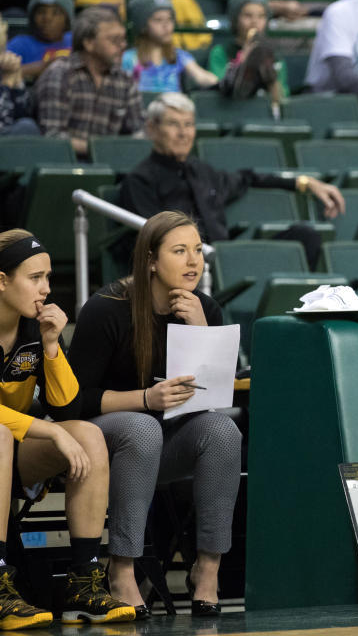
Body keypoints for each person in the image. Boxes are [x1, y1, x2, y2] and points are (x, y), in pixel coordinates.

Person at [68, 211, 242, 618]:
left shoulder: (205, 309)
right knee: (143, 427)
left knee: (223, 431)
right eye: (179, 251)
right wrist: (145, 398)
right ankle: (122, 569)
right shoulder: (107, 309)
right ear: (150, 260)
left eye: (197, 250)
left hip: (165, 443)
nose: (193, 262)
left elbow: (211, 400)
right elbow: (74, 401)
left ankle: (208, 568)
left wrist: (201, 331)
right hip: (102, 441)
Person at [0, 229, 136, 626]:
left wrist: (52, 346)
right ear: (2, 281)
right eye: (34, 278)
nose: (45, 289)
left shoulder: (33, 328)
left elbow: (67, 408)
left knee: (87, 433)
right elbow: (49, 426)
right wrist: (51, 432)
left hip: (12, 451)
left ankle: (84, 582)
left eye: (47, 277)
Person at [119, 92, 344, 270]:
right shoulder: (140, 180)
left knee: (306, 236)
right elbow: (152, 244)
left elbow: (249, 177)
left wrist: (307, 183)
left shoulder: (203, 171)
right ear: (152, 129)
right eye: (173, 124)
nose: (183, 133)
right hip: (190, 269)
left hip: (229, 260)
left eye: (189, 125)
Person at [35, 6, 143, 158]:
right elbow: (53, 137)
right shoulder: (60, 74)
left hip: (112, 164)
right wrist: (101, 149)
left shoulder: (125, 81)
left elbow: (137, 131)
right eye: (114, 40)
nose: (123, 45)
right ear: (88, 43)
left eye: (123, 39)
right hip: (65, 163)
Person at [122, 0, 218, 93]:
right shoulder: (128, 58)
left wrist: (222, 83)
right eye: (158, 20)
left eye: (169, 19)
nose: (166, 25)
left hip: (173, 105)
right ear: (143, 26)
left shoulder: (178, 56)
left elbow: (201, 76)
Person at [207, 0, 290, 99]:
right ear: (235, 19)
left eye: (261, 16)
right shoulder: (220, 51)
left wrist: (270, 76)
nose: (254, 21)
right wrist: (242, 62)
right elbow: (219, 87)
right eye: (247, 15)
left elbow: (282, 98)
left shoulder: (273, 55)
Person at [5, 0, 72, 82]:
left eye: (56, 13)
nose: (47, 19)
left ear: (67, 21)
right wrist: (43, 67)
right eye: (41, 12)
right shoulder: (20, 44)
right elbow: (4, 74)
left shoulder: (75, 40)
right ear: (32, 18)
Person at [0, 14, 41, 135]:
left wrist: (16, 81)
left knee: (27, 126)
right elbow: (3, 123)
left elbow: (22, 113)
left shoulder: (7, 64)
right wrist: (6, 83)